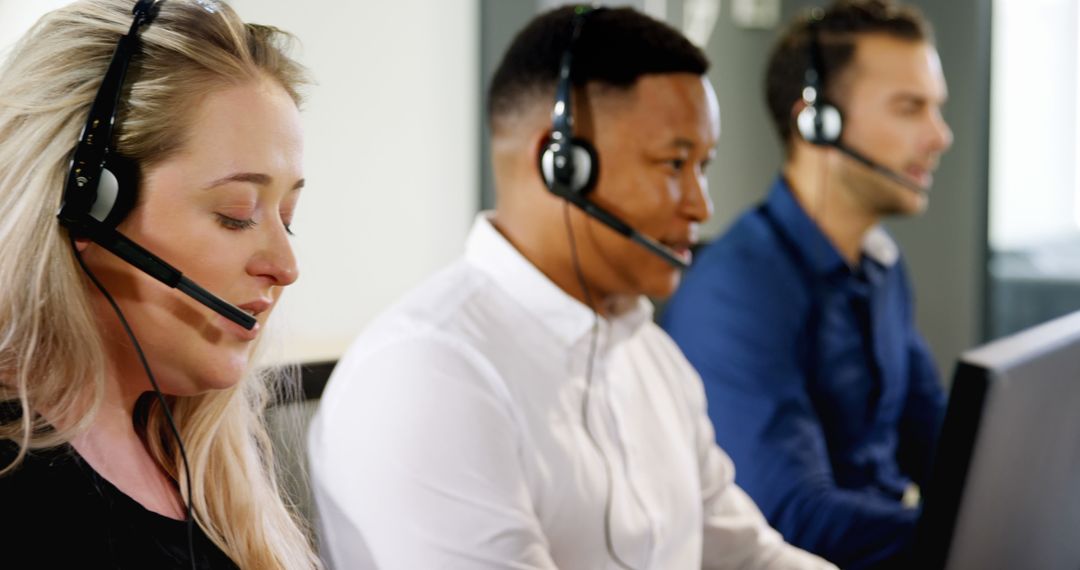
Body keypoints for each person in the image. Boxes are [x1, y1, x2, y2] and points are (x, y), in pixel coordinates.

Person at [308, 5, 834, 569]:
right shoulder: (428, 372)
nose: (702, 205)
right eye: (674, 164)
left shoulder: (652, 359)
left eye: (703, 165)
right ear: (562, 165)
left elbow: (747, 556)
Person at [0, 1, 319, 567]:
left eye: (287, 217)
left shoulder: (204, 462)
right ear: (89, 204)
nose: (285, 265)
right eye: (236, 213)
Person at [661, 0, 953, 567]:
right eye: (910, 108)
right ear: (817, 120)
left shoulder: (880, 268)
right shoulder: (740, 291)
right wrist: (971, 537)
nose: (939, 135)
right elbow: (793, 517)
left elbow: (948, 451)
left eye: (935, 109)